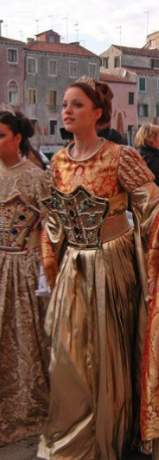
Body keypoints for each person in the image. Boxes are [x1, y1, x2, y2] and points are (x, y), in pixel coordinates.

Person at [37, 77, 159, 460]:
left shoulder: (120, 156)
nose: (67, 110)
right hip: (73, 268)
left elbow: (151, 201)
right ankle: (78, 433)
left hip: (112, 265)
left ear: (98, 113)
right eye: (65, 103)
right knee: (71, 353)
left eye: (77, 104)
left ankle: (115, 432)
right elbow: (53, 217)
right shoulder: (59, 162)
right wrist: (48, 257)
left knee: (111, 350)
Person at [0, 107, 50, 446]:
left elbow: (52, 226)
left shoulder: (36, 176)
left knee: (23, 338)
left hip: (24, 267)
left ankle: (28, 403)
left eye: (1, 135)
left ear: (18, 138)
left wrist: (48, 270)